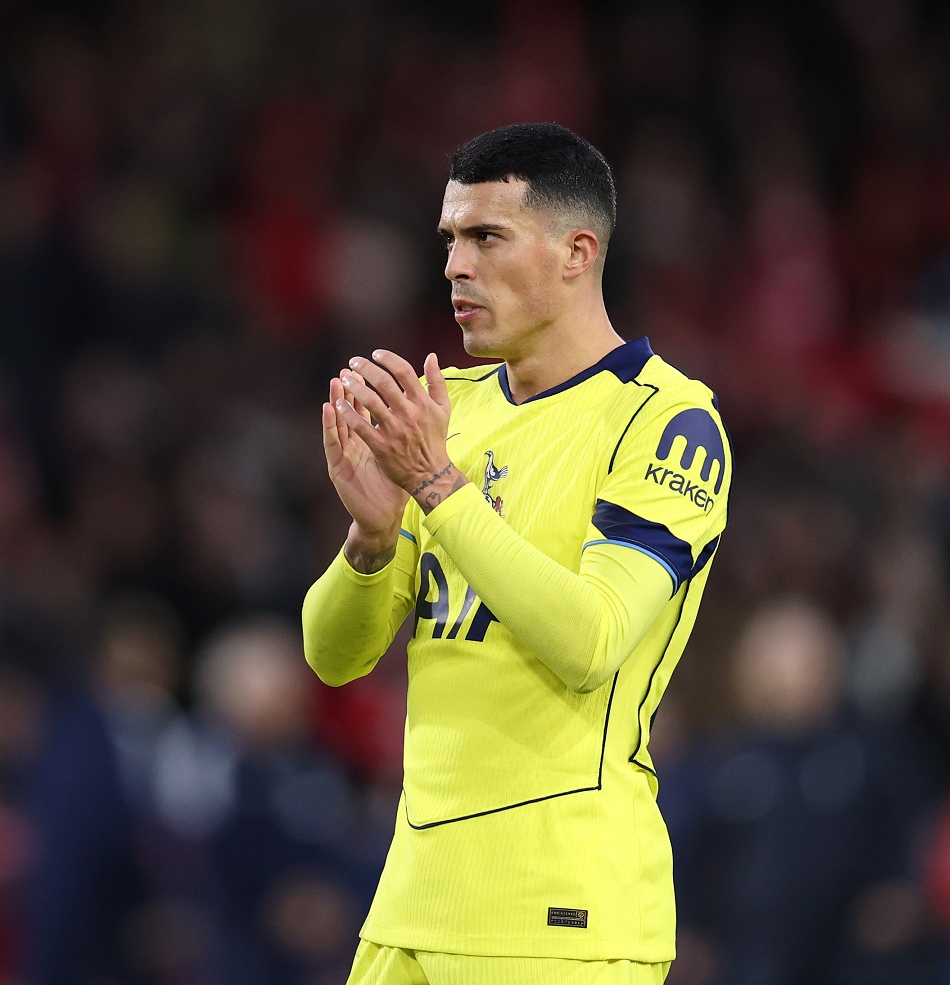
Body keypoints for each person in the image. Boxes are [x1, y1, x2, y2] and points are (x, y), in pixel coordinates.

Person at [301, 122, 732, 985]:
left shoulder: (666, 422)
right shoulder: (445, 411)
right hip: (410, 905)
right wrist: (371, 540)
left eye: (486, 236)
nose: (456, 265)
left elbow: (590, 640)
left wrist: (437, 489)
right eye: (450, 240)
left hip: (559, 916)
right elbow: (333, 657)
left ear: (577, 252)